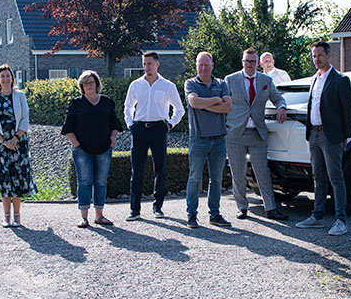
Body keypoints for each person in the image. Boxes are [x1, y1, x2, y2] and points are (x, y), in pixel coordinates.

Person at [295, 41, 351, 236]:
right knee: (318, 177)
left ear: (329, 55)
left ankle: (340, 220)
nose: (316, 59)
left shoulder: (340, 80)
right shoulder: (314, 79)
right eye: (314, 55)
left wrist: (345, 135)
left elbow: (348, 110)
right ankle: (317, 216)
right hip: (314, 134)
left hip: (331, 136)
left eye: (320, 55)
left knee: (335, 177)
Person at [225, 48, 289, 222]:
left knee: (263, 172)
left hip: (257, 133)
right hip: (235, 133)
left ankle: (271, 208)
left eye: (253, 62)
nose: (250, 65)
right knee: (237, 172)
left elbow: (278, 98)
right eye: (247, 61)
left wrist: (281, 108)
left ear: (258, 63)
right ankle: (242, 207)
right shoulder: (230, 80)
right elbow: (223, 103)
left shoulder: (266, 80)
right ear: (242, 61)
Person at [122, 51, 184, 221]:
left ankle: (158, 207)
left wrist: (170, 124)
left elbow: (179, 109)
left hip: (159, 129)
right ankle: (135, 210)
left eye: (149, 64)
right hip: (140, 129)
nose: (146, 67)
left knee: (160, 169)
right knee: (137, 170)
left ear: (157, 64)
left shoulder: (168, 86)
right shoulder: (135, 85)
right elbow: (128, 107)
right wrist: (130, 124)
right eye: (144, 64)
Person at [61, 70, 122, 228]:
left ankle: (99, 216)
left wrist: (113, 138)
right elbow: (68, 127)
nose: (89, 85)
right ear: (81, 86)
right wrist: (76, 144)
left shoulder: (107, 102)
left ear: (97, 84)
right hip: (82, 150)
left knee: (101, 182)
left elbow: (115, 124)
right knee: (84, 182)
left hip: (104, 148)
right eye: (85, 83)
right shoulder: (76, 103)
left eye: (91, 82)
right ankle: (84, 217)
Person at [184, 52, 233, 228]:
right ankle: (191, 216)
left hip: (219, 139)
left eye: (206, 65)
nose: (203, 68)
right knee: (194, 178)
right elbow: (194, 103)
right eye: (200, 65)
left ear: (212, 65)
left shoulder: (221, 83)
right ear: (196, 66)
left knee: (217, 179)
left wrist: (207, 103)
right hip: (198, 139)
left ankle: (215, 215)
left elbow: (228, 107)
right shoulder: (190, 83)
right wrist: (216, 100)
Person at [0, 64, 37, 227]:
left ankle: (17, 216)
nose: (6, 79)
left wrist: (15, 139)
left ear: (12, 78)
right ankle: (6, 216)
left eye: (8, 76)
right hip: (1, 144)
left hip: (18, 142)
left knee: (18, 177)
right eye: (3, 76)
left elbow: (25, 119)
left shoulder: (20, 96)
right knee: (5, 178)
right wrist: (3, 141)